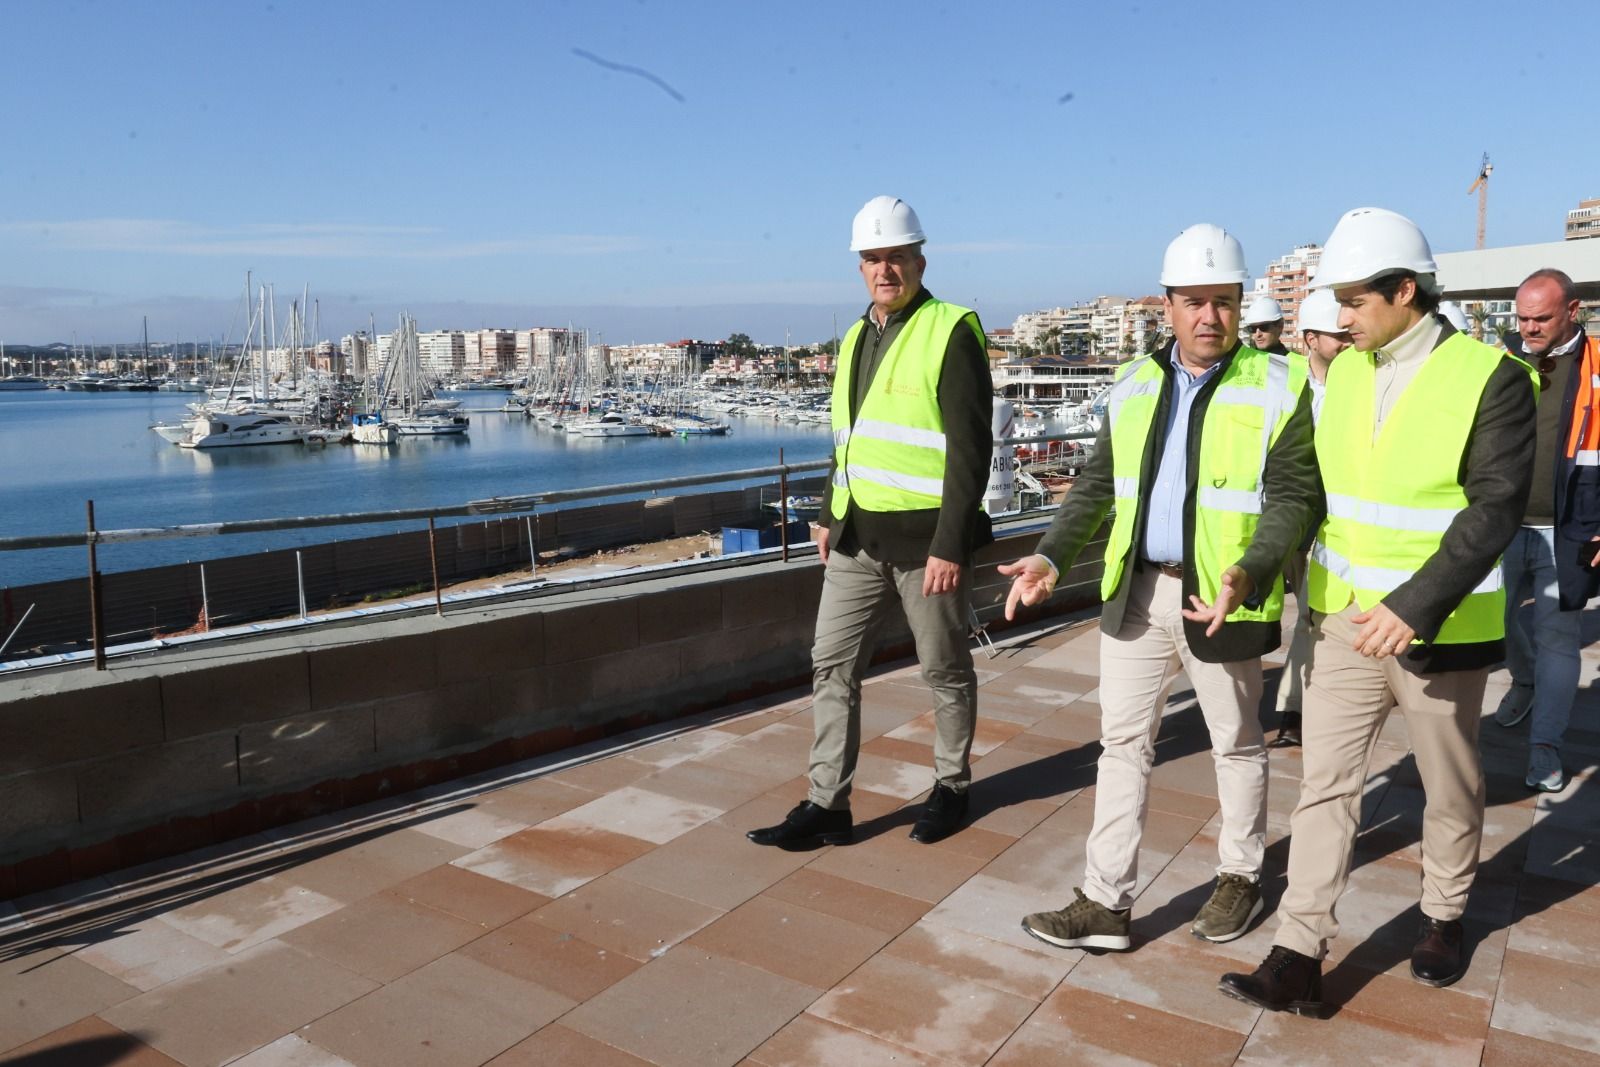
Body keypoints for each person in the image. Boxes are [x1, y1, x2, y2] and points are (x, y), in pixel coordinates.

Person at [1221, 208, 1536, 1014]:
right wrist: (1254, 567)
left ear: (1405, 291)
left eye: (1354, 301)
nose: (1340, 319)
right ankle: (1297, 949)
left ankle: (1443, 913)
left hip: (1440, 629)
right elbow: (1301, 486)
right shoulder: (1337, 376)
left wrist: (1417, 603)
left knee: (1449, 783)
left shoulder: (1489, 376)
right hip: (1343, 623)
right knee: (1325, 786)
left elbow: (1496, 507)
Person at [1000, 224, 1319, 951]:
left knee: (1236, 743)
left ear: (1240, 307)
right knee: (1120, 745)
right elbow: (1094, 490)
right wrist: (1050, 558)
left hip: (1220, 599)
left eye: (1225, 301)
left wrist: (1252, 570)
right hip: (1139, 595)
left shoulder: (1280, 384)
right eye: (1195, 301)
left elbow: (1294, 498)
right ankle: (1105, 902)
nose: (1211, 316)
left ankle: (1240, 877)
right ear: (1169, 306)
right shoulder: (1134, 384)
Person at [747, 196, 994, 850]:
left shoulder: (951, 329)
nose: (885, 269)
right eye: (873, 259)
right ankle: (828, 802)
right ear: (860, 267)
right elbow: (848, 438)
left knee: (943, 667)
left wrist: (950, 543)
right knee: (830, 663)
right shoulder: (856, 335)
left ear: (919, 259)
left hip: (926, 545)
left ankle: (951, 785)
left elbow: (971, 452)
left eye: (896, 257)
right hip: (857, 540)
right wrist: (830, 512)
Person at [1493, 268, 1600, 794]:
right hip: (1500, 524)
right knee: (1500, 619)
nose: (1529, 328)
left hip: (1570, 528)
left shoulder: (1597, 366)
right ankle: (1525, 679)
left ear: (1572, 312)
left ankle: (1546, 745)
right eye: (1522, 317)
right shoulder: (1501, 358)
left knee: (1558, 635)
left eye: (1541, 318)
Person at [1269, 287, 1352, 747]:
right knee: (1300, 619)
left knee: (1316, 618)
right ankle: (1291, 710)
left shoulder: (1361, 387)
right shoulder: (1284, 387)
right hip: (1293, 522)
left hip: (1333, 524)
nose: (1345, 341)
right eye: (1335, 335)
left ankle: (1298, 711)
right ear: (1309, 339)